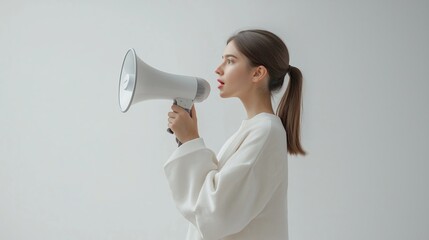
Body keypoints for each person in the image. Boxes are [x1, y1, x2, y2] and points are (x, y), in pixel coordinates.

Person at [165, 29, 306, 240]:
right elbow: (215, 198)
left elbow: (217, 214)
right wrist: (187, 142)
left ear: (257, 73)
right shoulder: (254, 130)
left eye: (230, 61)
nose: (218, 69)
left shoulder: (265, 132)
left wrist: (191, 141)